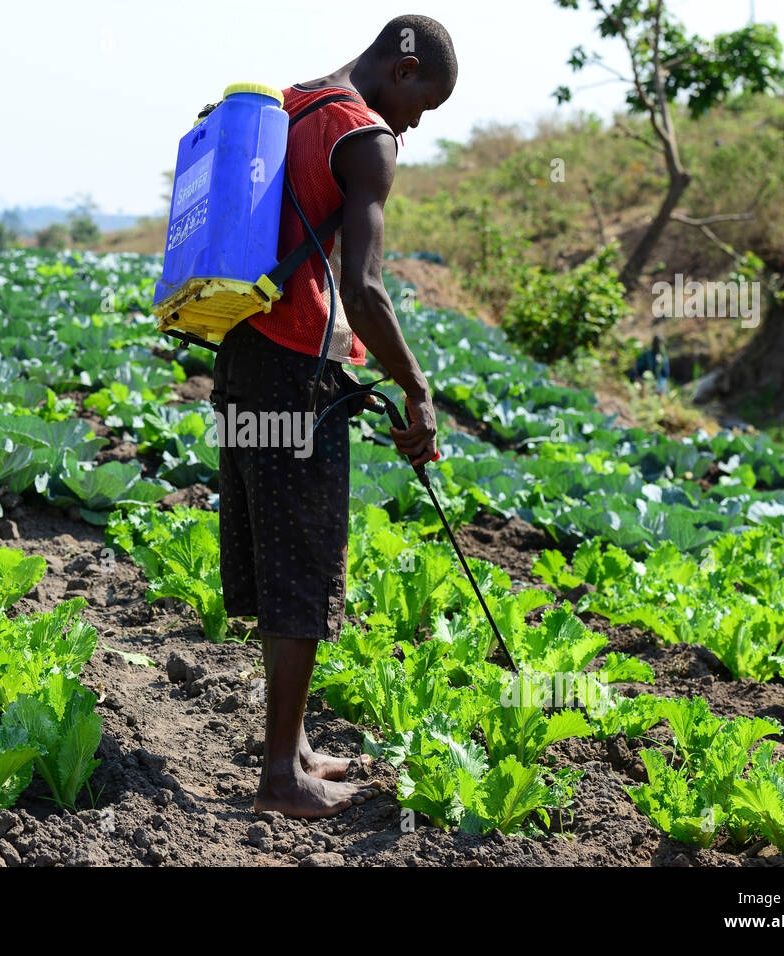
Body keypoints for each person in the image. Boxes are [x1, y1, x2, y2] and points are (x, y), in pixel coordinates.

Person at [209, 15, 456, 818]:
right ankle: (281, 777)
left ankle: (298, 746)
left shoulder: (294, 105)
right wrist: (416, 388)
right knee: (304, 562)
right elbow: (364, 289)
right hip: (293, 368)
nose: (414, 122)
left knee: (272, 546)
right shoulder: (364, 134)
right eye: (424, 101)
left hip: (242, 354)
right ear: (403, 65)